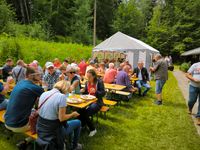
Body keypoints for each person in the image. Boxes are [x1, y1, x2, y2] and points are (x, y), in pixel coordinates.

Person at [37, 80, 82, 150]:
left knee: (68, 124)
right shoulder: (61, 97)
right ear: (65, 88)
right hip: (53, 131)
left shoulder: (44, 93)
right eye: (68, 91)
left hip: (41, 128)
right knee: (78, 122)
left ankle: (68, 143)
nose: (68, 92)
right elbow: (62, 118)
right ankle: (75, 146)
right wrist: (72, 114)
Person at [5, 67, 44, 132]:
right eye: (37, 75)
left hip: (7, 121)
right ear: (30, 76)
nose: (40, 76)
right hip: (19, 126)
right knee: (46, 116)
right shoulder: (35, 88)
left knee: (33, 110)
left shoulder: (20, 82)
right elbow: (48, 99)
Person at [79, 69, 106, 137]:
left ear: (94, 76)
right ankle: (83, 125)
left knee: (86, 112)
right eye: (87, 77)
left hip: (97, 102)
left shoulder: (99, 82)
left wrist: (96, 91)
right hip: (87, 101)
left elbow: (103, 93)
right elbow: (86, 93)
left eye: (89, 77)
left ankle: (92, 129)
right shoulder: (87, 82)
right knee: (80, 110)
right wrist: (83, 91)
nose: (88, 78)